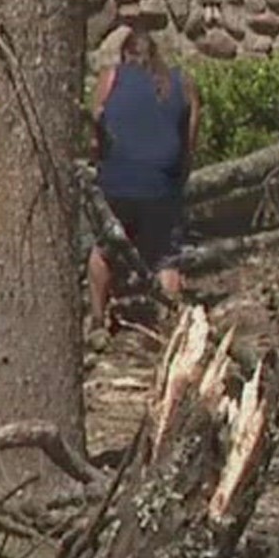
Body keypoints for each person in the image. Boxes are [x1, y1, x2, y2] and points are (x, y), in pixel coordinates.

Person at [88, 29, 200, 333]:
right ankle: (168, 328)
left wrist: (102, 163)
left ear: (125, 56)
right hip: (161, 183)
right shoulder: (182, 83)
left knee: (103, 250)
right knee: (166, 258)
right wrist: (176, 184)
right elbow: (189, 145)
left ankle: (98, 322)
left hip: (117, 182)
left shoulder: (111, 78)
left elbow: (95, 129)